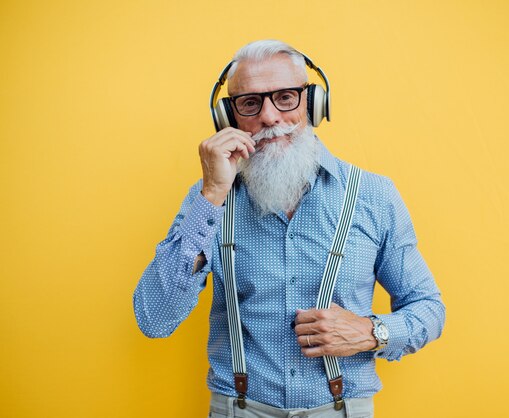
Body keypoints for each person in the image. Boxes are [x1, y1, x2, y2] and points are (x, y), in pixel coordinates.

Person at [133, 39, 445, 418]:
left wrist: (370, 332)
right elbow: (154, 318)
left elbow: (428, 308)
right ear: (227, 117)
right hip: (239, 409)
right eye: (250, 103)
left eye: (285, 97)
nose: (269, 117)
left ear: (313, 105)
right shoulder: (209, 201)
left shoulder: (374, 195)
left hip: (342, 409)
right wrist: (212, 193)